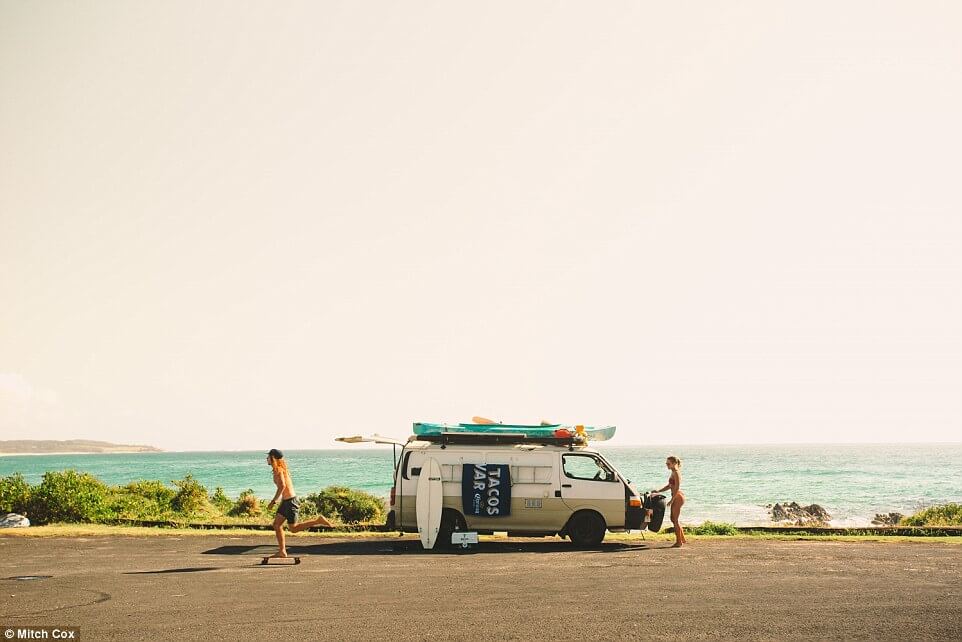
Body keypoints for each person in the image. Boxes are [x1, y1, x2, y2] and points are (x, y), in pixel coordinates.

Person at [266, 448, 334, 558]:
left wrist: (273, 501)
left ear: (273, 458)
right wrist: (281, 501)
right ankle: (282, 551)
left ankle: (318, 520)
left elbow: (282, 486)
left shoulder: (279, 469)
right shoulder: (278, 469)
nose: (267, 459)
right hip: (286, 502)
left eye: (268, 457)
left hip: (290, 502)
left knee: (294, 529)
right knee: (277, 524)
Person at [652, 455, 686, 548]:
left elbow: (677, 487)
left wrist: (672, 499)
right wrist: (658, 491)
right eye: (666, 463)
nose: (667, 465)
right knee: (673, 519)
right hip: (675, 496)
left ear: (674, 463)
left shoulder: (676, 472)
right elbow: (669, 486)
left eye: (668, 463)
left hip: (677, 497)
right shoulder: (672, 472)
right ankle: (682, 539)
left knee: (675, 519)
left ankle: (679, 542)